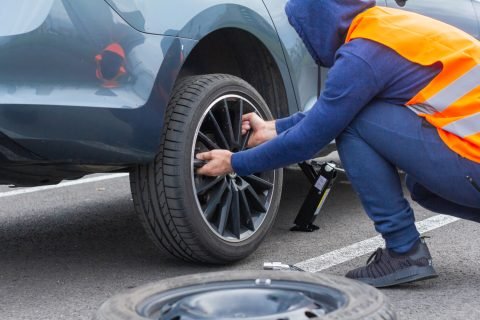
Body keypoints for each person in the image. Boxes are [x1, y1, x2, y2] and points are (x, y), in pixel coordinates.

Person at [196, 0, 480, 287]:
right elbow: (337, 107)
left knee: (353, 125)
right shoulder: (384, 27)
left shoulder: (363, 53)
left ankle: (405, 251)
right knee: (421, 186)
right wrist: (273, 128)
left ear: (318, 18)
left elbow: (313, 136)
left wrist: (234, 163)